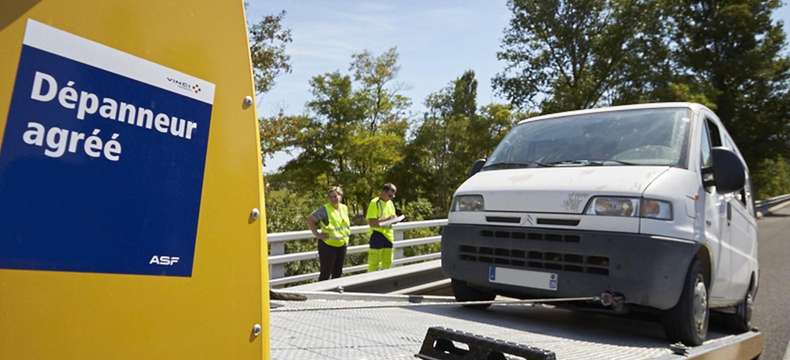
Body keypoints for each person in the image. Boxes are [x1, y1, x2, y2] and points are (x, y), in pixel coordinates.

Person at [306, 186, 351, 281]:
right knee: (325, 273)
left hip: (342, 245)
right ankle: (322, 295)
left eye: (336, 196)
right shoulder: (325, 209)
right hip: (328, 245)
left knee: (338, 272)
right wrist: (317, 234)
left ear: (341, 196)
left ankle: (336, 293)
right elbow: (310, 219)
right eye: (331, 197)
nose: (334, 199)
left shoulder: (344, 208)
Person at [366, 183, 398, 272]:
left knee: (388, 263)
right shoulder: (374, 203)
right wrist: (387, 220)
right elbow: (372, 223)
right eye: (390, 195)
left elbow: (393, 216)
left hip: (389, 236)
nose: (392, 197)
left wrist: (395, 219)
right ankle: (371, 283)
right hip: (377, 236)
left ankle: (386, 283)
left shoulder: (390, 203)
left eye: (393, 195)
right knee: (374, 264)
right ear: (383, 192)